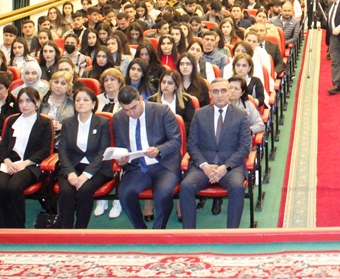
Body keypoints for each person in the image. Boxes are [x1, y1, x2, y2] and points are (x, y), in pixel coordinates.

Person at [179, 78, 252, 229]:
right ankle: (188, 234)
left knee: (237, 188)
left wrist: (225, 167)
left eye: (223, 91)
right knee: (186, 186)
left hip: (230, 167)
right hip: (204, 167)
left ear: (229, 92)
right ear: (210, 94)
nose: (220, 95)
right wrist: (204, 165)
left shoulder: (241, 115)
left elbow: (244, 147)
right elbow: (192, 145)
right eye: (216, 91)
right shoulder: (199, 114)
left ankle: (232, 234)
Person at [112, 86, 182, 229]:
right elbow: (120, 145)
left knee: (162, 194)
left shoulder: (162, 111)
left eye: (133, 108)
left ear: (140, 99)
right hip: (137, 167)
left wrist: (159, 150)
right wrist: (122, 159)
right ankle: (140, 229)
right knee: (124, 193)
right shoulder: (118, 118)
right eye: (126, 110)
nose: (130, 113)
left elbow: (176, 141)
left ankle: (158, 231)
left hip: (163, 165)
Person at [0, 87, 53, 228]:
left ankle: (18, 227)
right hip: (9, 162)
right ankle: (4, 227)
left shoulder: (44, 122)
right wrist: (7, 161)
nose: (24, 105)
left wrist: (24, 164)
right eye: (21, 101)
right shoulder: (12, 120)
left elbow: (44, 150)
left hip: (30, 165)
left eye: (28, 101)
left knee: (14, 186)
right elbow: (4, 145)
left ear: (36, 102)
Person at [56, 86, 113, 229]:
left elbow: (102, 152)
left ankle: (80, 230)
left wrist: (85, 175)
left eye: (86, 100)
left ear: (93, 104)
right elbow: (62, 150)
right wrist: (70, 172)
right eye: (78, 100)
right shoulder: (68, 123)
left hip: (96, 168)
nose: (81, 103)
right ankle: (66, 230)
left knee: (85, 189)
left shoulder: (103, 122)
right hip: (73, 166)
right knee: (66, 191)